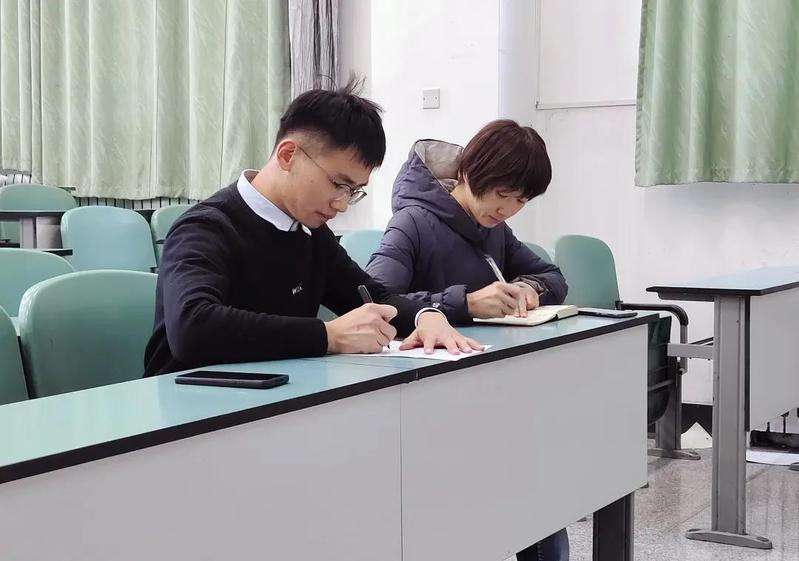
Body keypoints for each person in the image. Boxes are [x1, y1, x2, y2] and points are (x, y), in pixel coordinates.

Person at [144, 80, 481, 377]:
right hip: (189, 408)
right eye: (338, 184)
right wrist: (328, 335)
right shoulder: (204, 228)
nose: (342, 204)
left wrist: (426, 316)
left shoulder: (311, 234)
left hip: (278, 400)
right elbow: (193, 329)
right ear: (288, 155)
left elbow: (370, 295)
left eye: (353, 191)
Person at [365, 119, 569, 560]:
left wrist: (530, 289)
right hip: (429, 400)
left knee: (543, 495)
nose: (508, 209)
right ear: (471, 171)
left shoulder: (494, 230)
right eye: (503, 194)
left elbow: (553, 276)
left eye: (521, 201)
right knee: (519, 494)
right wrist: (464, 303)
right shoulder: (412, 222)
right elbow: (375, 299)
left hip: (491, 385)